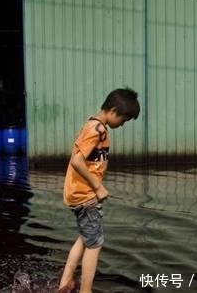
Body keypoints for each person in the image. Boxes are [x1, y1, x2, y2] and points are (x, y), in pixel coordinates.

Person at [58, 88, 140, 293]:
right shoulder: (96, 130)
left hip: (79, 194)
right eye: (123, 120)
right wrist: (98, 186)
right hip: (85, 195)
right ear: (113, 111)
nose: (121, 125)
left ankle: (65, 283)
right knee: (95, 245)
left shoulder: (93, 126)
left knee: (86, 238)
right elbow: (76, 160)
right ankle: (86, 291)